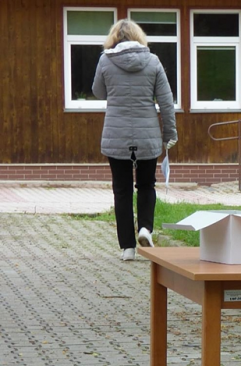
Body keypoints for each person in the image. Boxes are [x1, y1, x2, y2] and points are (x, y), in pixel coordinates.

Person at [92, 19, 177, 261]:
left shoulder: (105, 60)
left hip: (116, 135)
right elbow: (166, 102)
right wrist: (169, 134)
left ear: (113, 38)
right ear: (139, 37)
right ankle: (145, 229)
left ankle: (127, 248)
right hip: (147, 134)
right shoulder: (153, 61)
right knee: (147, 185)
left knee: (121, 190)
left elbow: (98, 91)